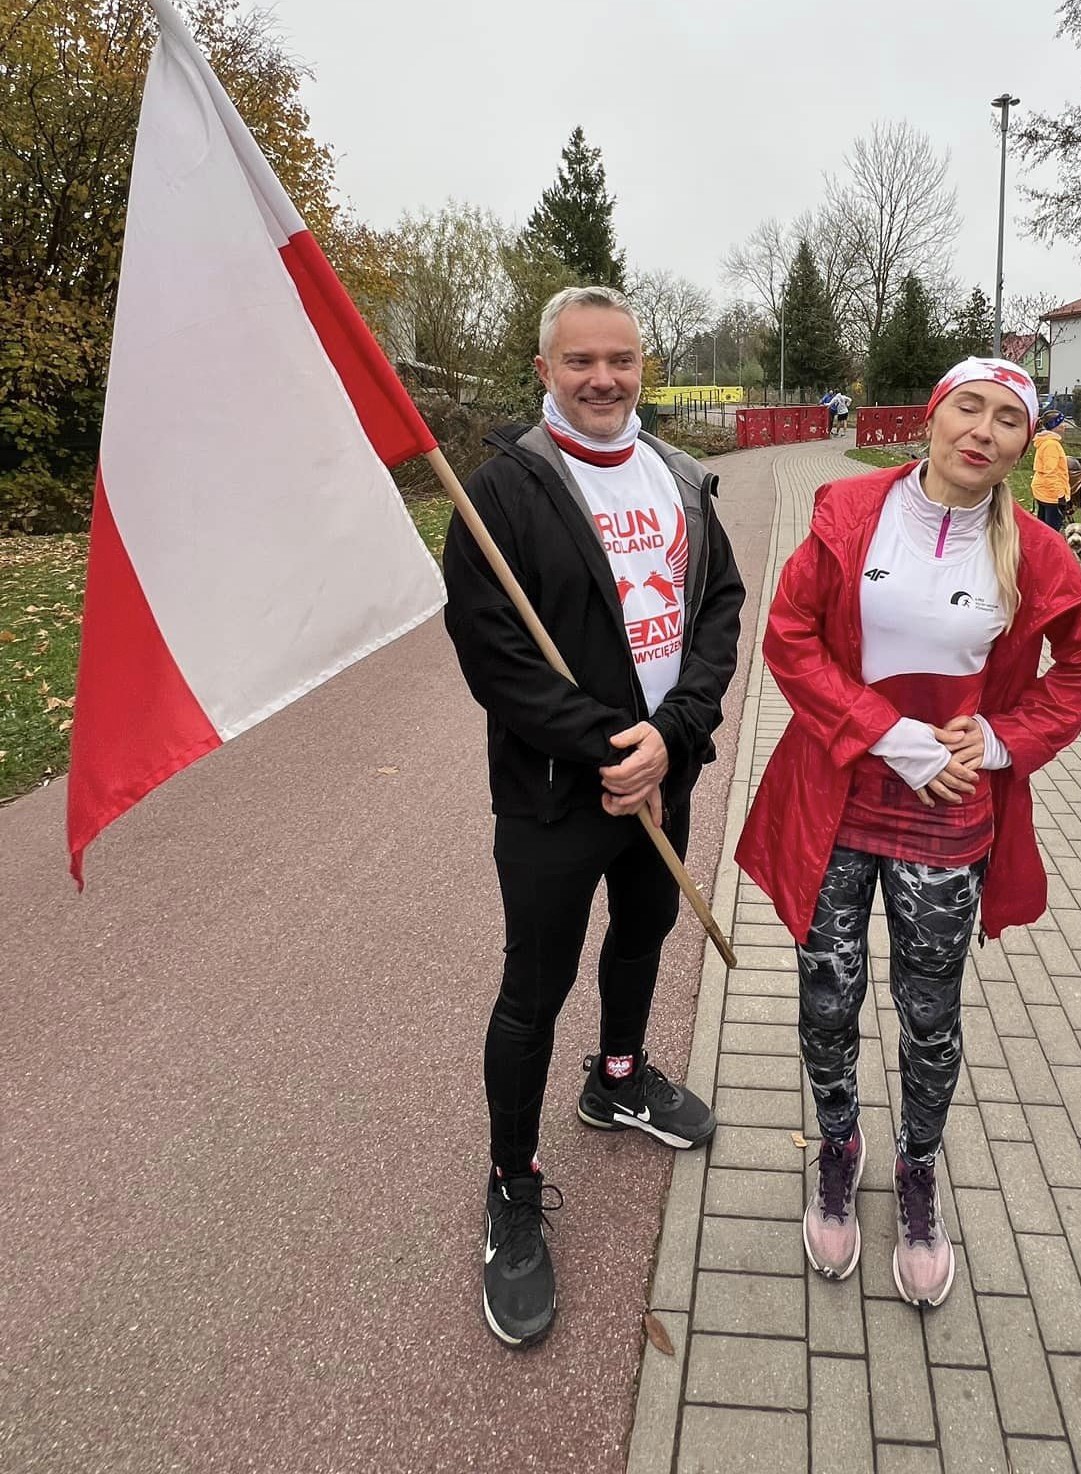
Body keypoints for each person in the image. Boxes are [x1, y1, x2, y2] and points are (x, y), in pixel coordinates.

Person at [735, 357, 1081, 1307]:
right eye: (968, 409)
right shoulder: (848, 511)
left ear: (1027, 443)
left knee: (930, 1015)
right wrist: (889, 734)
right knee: (828, 999)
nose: (982, 432)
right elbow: (790, 637)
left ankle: (916, 1170)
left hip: (946, 818)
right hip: (836, 801)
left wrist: (1001, 738)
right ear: (936, 417)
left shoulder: (1034, 549)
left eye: (1006, 420)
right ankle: (837, 1145)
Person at [442, 285, 746, 1349]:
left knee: (647, 931)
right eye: (581, 362)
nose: (604, 379)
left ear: (642, 366)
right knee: (535, 985)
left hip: (666, 771)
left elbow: (717, 610)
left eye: (621, 359)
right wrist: (608, 746)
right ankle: (511, 1183)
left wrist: (676, 734)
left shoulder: (682, 477)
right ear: (545, 370)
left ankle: (618, 1080)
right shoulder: (500, 492)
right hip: (558, 793)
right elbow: (497, 656)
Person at [1030, 406, 1071, 530]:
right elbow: (1050, 472)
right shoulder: (1051, 445)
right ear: (1055, 426)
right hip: (1051, 495)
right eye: (1062, 423)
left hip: (1044, 492)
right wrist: (1060, 496)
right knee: (1052, 530)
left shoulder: (1046, 442)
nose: (1064, 426)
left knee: (1043, 528)